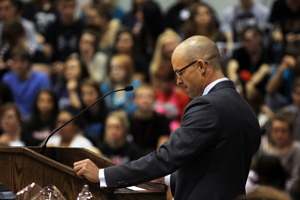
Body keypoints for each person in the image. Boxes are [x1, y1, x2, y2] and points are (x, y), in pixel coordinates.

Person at [73, 36, 261, 200]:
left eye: (180, 72)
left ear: (201, 66)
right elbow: (220, 170)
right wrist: (167, 178)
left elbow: (166, 158)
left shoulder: (207, 106)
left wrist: (103, 175)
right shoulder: (245, 109)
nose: (178, 81)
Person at [2, 45, 51, 118]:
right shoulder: (7, 78)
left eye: (22, 61)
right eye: (15, 61)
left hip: (36, 119)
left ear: (29, 62)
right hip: (14, 120)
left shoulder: (42, 79)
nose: (19, 65)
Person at [128, 84, 170, 156]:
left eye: (149, 96)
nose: (145, 100)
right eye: (140, 97)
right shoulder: (128, 120)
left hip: (154, 159)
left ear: (154, 99)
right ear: (134, 100)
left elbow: (162, 150)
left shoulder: (162, 120)